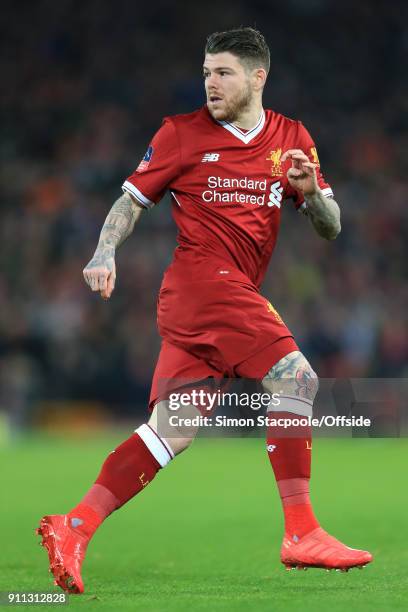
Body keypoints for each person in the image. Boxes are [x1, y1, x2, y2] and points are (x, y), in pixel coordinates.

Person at [37, 27, 372, 594]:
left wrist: (312, 192)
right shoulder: (181, 134)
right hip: (200, 284)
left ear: (257, 77)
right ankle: (302, 530)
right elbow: (130, 199)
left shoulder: (292, 138)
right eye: (206, 73)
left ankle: (74, 524)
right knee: (297, 376)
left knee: (175, 428)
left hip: (219, 294)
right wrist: (103, 250)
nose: (210, 84)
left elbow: (332, 228)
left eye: (223, 73)